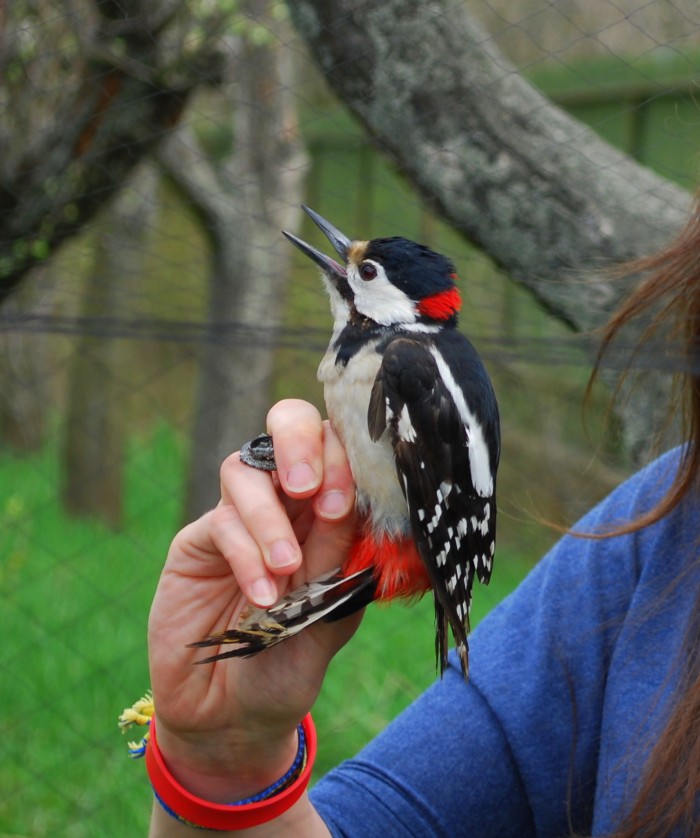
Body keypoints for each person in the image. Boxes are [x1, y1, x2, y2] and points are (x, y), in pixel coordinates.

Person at [145, 197, 700, 837]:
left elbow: (433, 512)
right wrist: (222, 758)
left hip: (408, 542)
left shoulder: (409, 362)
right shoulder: (645, 547)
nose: (347, 269)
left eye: (366, 272)